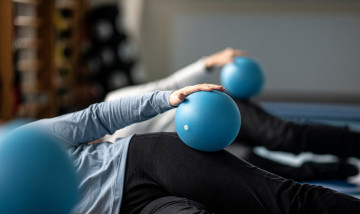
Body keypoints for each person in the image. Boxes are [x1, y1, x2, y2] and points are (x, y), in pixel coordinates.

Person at [22, 83, 360, 214]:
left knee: (282, 198)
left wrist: (166, 99)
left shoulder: (17, 147)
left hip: (144, 161)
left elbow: (97, 117)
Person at [104, 48, 360, 182]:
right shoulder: (111, 158)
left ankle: (353, 143)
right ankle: (324, 171)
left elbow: (167, 83)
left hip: (218, 110)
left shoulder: (112, 103)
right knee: (265, 174)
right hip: (207, 147)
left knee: (285, 137)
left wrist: (210, 62)